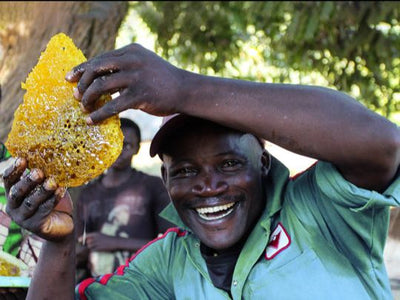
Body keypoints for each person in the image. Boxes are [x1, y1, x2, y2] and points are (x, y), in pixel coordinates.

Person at [3, 42, 400, 299]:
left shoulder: (321, 211)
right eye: (186, 171)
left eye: (228, 163)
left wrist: (184, 89)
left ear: (263, 162)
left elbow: (381, 144)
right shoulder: (168, 262)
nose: (208, 186)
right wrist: (58, 244)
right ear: (166, 181)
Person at [75, 117, 173, 281]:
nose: (119, 151)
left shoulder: (153, 186)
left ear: (137, 148)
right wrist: (83, 251)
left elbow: (171, 243)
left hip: (144, 283)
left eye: (126, 145)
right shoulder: (88, 193)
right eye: (114, 143)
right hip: (98, 285)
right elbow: (79, 245)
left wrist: (114, 242)